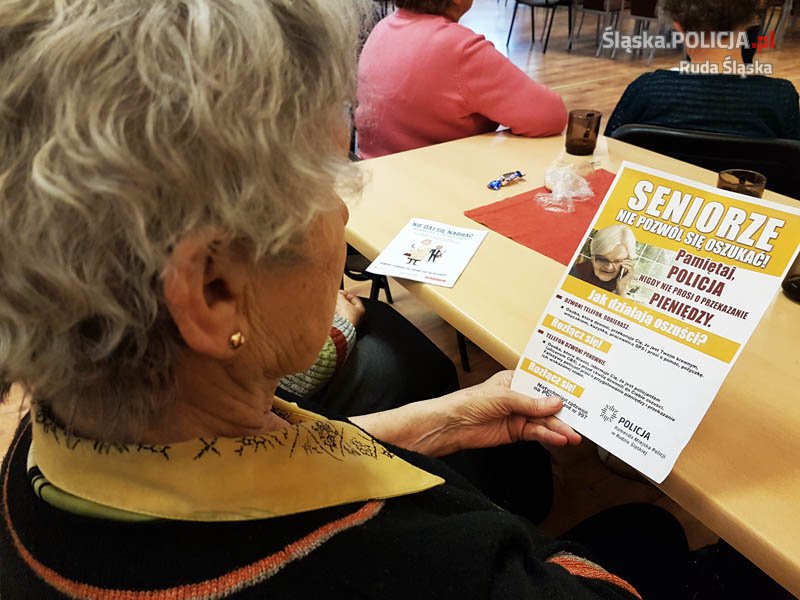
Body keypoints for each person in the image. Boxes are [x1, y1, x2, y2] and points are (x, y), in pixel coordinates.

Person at [0, 1, 696, 598]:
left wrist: (439, 421)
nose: (340, 210)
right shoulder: (436, 571)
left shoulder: (54, 440)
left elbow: (256, 470)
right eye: (324, 179)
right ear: (213, 290)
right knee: (651, 530)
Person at [355, 0, 568, 159]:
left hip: (374, 179)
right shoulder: (460, 49)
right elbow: (551, 114)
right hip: (432, 187)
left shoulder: (382, 27)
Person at [604, 0, 800, 140]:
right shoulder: (780, 99)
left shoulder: (646, 90)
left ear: (679, 27)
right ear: (752, 23)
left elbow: (609, 152)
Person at [570, 225, 637, 296]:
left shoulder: (626, 286)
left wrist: (621, 291)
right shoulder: (574, 274)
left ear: (628, 261)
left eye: (618, 261)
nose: (609, 267)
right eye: (602, 259)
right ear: (592, 257)